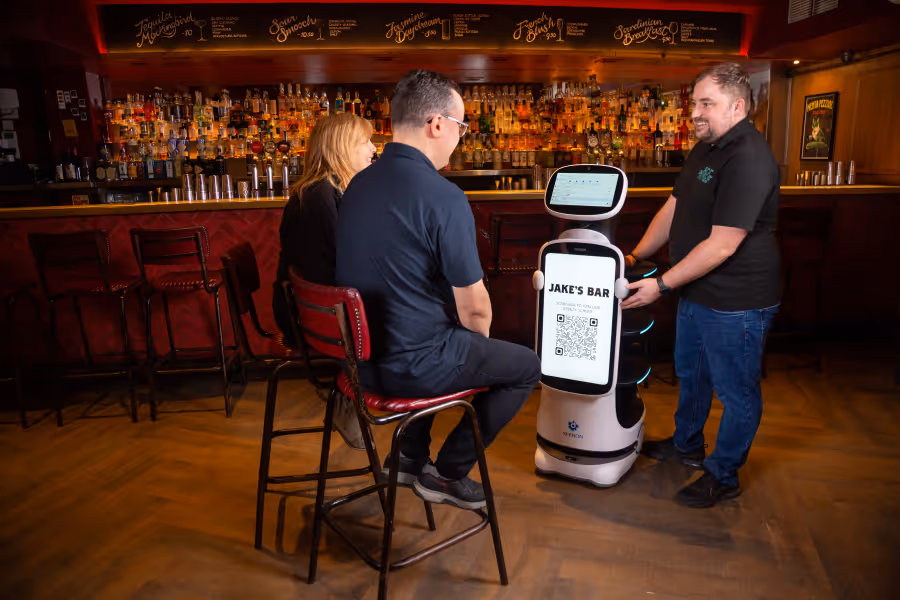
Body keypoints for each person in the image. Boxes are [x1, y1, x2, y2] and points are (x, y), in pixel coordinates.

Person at [336, 70, 541, 510]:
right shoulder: (444, 197)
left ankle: (408, 458)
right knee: (524, 366)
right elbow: (475, 313)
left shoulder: (356, 186)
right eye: (461, 127)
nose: (460, 138)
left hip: (359, 366)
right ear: (437, 124)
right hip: (411, 370)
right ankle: (446, 474)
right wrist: (476, 353)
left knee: (429, 330)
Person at [621, 62, 781, 508]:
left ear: (738, 106)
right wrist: (635, 256)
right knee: (692, 374)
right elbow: (673, 208)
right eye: (694, 103)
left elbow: (723, 244)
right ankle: (687, 445)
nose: (695, 113)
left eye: (706, 104)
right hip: (697, 289)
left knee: (736, 391)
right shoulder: (705, 149)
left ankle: (723, 473)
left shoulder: (748, 157)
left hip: (737, 300)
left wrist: (662, 285)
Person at [272, 112, 376, 450]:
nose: (373, 149)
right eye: (366, 141)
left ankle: (353, 391)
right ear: (342, 146)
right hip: (315, 317)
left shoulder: (328, 191)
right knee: (408, 316)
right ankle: (350, 394)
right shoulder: (321, 195)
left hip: (315, 309)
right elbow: (337, 271)